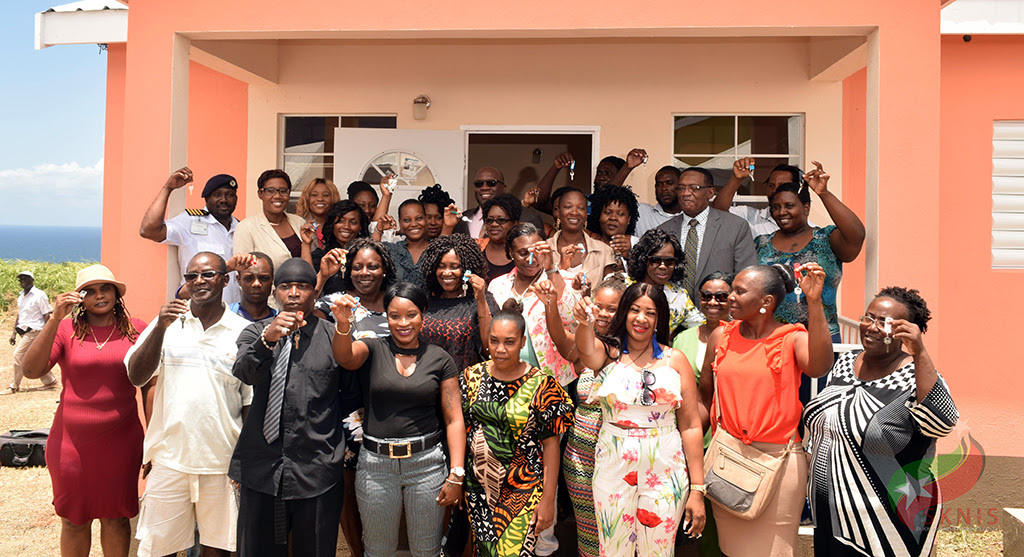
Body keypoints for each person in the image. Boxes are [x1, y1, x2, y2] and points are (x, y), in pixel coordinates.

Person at [802, 287, 957, 557]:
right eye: (868, 318)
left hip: (888, 516)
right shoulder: (846, 362)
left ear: (906, 331)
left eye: (884, 322)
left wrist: (919, 352)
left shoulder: (915, 375)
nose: (872, 327)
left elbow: (942, 424)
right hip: (831, 508)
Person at [698, 263, 834, 557]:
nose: (730, 297)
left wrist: (814, 302)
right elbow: (704, 397)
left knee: (776, 551)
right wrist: (690, 450)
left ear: (766, 302)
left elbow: (820, 366)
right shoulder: (720, 337)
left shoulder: (791, 338)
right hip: (728, 460)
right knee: (732, 551)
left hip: (779, 463)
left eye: (739, 291)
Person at [125, 252, 252, 557]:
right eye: (191, 276)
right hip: (169, 460)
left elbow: (249, 403)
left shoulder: (242, 331)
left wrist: (244, 461)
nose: (199, 281)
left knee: (218, 550)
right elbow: (137, 376)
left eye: (207, 274)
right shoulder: (166, 323)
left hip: (221, 463)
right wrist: (160, 327)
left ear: (225, 280)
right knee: (159, 550)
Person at [330, 282, 466, 557]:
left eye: (411, 315)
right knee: (378, 551)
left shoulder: (439, 359)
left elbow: (454, 419)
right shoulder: (372, 348)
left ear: (423, 314)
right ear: (387, 317)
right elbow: (345, 357)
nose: (403, 323)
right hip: (376, 467)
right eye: (395, 316)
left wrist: (457, 474)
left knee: (426, 551)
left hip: (427, 466)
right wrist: (343, 324)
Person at [19, 264, 145, 556]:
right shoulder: (66, 330)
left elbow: (152, 383)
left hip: (121, 443)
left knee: (117, 518)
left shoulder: (137, 328)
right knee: (74, 520)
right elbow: (31, 370)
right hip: (71, 444)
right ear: (79, 298)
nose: (99, 295)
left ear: (116, 293)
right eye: (89, 291)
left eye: (105, 288)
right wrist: (55, 319)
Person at [574, 282, 707, 557]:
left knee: (658, 550)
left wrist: (697, 488)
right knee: (613, 549)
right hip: (613, 463)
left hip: (665, 466)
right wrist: (585, 323)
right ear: (624, 312)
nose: (641, 318)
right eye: (635, 310)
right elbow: (586, 350)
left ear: (659, 319)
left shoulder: (675, 360)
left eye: (650, 312)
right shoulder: (608, 355)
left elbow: (691, 426)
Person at [230, 258, 349, 556]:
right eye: (285, 286)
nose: (294, 293)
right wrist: (268, 339)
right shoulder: (254, 332)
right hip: (262, 469)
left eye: (302, 286)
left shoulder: (334, 338)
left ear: (314, 293)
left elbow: (350, 397)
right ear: (275, 293)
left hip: (317, 470)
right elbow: (245, 372)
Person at [460, 302, 575, 557]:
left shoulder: (543, 385)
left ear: (523, 342)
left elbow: (551, 446)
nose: (500, 349)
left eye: (509, 342)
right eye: (494, 341)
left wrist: (548, 500)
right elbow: (463, 429)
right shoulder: (471, 377)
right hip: (479, 489)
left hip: (523, 491)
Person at [313, 239, 398, 557]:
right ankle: (358, 552)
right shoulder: (336, 301)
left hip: (392, 406)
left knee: (387, 486)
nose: (365, 272)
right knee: (347, 487)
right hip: (348, 406)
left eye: (373, 266)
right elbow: (302, 314)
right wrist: (321, 277)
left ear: (384, 269)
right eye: (358, 266)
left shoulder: (396, 301)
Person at [539, 275, 625, 557]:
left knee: (619, 529)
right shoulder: (586, 345)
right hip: (580, 457)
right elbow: (560, 339)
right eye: (598, 306)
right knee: (589, 532)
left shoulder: (632, 350)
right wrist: (551, 303)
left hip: (619, 456)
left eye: (612, 308)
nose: (603, 313)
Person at [754, 162, 866, 340]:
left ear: (805, 208)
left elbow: (856, 235)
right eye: (776, 207)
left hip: (821, 338)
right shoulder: (761, 244)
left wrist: (824, 193)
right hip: (772, 339)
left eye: (789, 206)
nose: (781, 212)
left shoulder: (826, 238)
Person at [671, 271, 732, 557]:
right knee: (695, 512)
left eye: (721, 296)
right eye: (706, 295)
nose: (713, 301)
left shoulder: (742, 335)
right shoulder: (683, 339)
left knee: (724, 515)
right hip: (694, 434)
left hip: (729, 434)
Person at [487, 223, 579, 388]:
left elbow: (570, 317)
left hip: (549, 380)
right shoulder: (497, 285)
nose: (531, 259)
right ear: (511, 253)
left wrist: (551, 268)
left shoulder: (563, 279)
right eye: (523, 253)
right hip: (504, 377)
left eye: (537, 252)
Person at [140, 168, 242, 304]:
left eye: (229, 195)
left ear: (236, 199)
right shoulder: (190, 221)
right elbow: (148, 230)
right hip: (198, 309)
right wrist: (168, 188)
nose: (224, 200)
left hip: (234, 311)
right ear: (207, 198)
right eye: (217, 195)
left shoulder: (241, 228)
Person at [656, 167, 756, 305]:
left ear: (710, 192)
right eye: (681, 188)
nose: (685, 193)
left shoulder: (736, 226)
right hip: (673, 313)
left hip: (719, 310)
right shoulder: (663, 230)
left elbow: (747, 276)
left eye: (694, 188)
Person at [419, 234, 499, 372]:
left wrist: (480, 300)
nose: (446, 273)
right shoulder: (427, 301)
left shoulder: (483, 300)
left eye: (454, 267)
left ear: (467, 269)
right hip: (427, 379)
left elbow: (490, 349)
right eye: (441, 266)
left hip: (464, 380)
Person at [626, 229, 702, 337]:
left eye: (669, 262)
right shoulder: (621, 284)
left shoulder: (679, 296)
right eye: (655, 261)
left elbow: (703, 325)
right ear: (643, 260)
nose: (663, 266)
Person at [711, 159, 810, 238]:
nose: (775, 190)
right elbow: (718, 212)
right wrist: (737, 179)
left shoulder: (812, 232)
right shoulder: (749, 216)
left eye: (782, 185)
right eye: (771, 186)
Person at [234, 169, 307, 271]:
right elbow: (243, 270)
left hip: (301, 281)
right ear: (260, 194)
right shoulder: (246, 227)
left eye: (283, 191)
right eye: (270, 191)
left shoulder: (299, 222)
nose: (277, 196)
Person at [547, 187, 616, 288]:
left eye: (581, 208)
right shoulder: (545, 250)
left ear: (586, 214)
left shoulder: (604, 251)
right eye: (568, 207)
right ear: (559, 212)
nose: (574, 212)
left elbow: (611, 291)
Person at [4, 270, 58, 394]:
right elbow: (20, 315)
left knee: (18, 355)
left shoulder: (39, 295)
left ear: (32, 280)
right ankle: (50, 381)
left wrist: (47, 333)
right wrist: (13, 333)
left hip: (35, 331)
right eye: (21, 279)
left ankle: (14, 386)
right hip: (24, 331)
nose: (23, 281)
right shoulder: (21, 296)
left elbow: (46, 314)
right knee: (34, 357)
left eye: (26, 278)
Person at [455, 167, 545, 238]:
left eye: (491, 183)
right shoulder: (463, 218)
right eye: (479, 184)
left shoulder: (529, 218)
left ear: (504, 188)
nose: (484, 187)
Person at [303, 199, 371, 276]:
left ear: (360, 227)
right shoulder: (322, 257)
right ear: (332, 224)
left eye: (353, 222)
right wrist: (306, 244)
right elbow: (307, 279)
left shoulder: (366, 255)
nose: (346, 226)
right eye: (341, 221)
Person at [586, 184, 640, 267]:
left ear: (629, 219)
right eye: (608, 213)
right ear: (599, 215)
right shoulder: (588, 241)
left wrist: (630, 255)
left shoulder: (637, 244)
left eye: (620, 214)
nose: (613, 218)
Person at [385, 199, 431, 288]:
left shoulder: (435, 249)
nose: (413, 224)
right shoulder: (392, 250)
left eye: (419, 218)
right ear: (400, 223)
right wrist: (378, 230)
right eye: (407, 220)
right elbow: (371, 253)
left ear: (426, 219)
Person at [476, 193, 522, 283]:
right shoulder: (476, 248)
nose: (494, 224)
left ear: (515, 223)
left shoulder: (524, 252)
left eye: (501, 220)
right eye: (489, 220)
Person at [636, 164, 684, 236]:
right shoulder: (641, 212)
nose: (664, 188)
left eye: (669, 183)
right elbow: (616, 200)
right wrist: (627, 168)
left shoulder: (690, 217)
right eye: (659, 184)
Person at [229, 252, 278, 322]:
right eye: (248, 278)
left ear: (272, 279)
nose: (256, 284)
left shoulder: (281, 321)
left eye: (264, 278)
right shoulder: (225, 316)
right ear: (239, 280)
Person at [295, 177, 342, 248]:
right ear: (306, 198)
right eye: (314, 195)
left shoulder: (341, 225)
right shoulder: (297, 224)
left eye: (325, 195)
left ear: (333, 198)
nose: (320, 199)